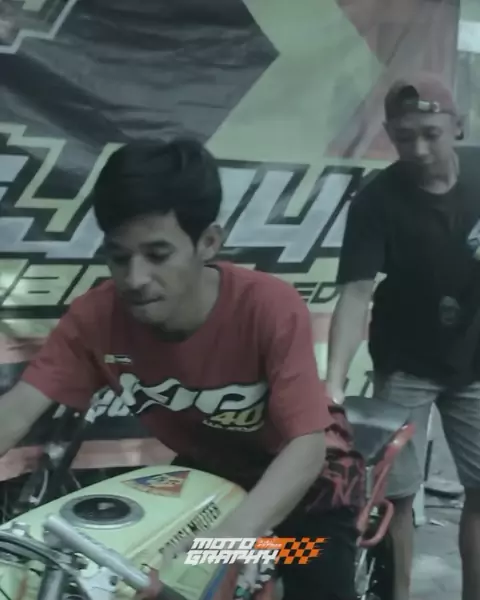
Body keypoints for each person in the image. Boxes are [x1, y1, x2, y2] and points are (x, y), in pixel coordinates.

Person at [0, 138, 364, 599]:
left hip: (311, 477)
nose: (135, 279)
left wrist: (233, 537)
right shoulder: (95, 317)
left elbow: (306, 447)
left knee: (309, 567)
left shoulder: (268, 306)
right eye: (119, 257)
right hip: (209, 468)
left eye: (158, 255)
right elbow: (17, 411)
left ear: (208, 242)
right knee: (144, 582)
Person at [327, 72, 480, 600]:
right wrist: (334, 385)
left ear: (457, 125)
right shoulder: (376, 201)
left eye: (430, 134)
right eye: (404, 136)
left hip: (474, 361)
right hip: (405, 363)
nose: (417, 149)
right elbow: (354, 294)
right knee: (396, 497)